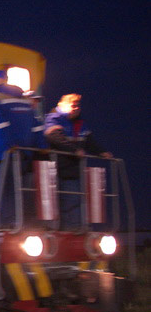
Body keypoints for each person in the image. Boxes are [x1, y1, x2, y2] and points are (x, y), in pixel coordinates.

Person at [0, 69, 43, 225]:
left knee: (4, 191)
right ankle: (21, 222)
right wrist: (42, 147)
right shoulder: (24, 100)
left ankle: (5, 225)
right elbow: (36, 127)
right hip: (25, 153)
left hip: (3, 152)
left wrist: (10, 145)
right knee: (20, 190)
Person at [44, 93, 112, 228]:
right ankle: (58, 231)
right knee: (54, 204)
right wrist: (74, 150)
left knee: (74, 200)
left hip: (73, 172)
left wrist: (102, 152)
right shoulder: (53, 119)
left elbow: (90, 142)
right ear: (62, 105)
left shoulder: (81, 124)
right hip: (54, 172)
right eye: (72, 105)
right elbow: (56, 138)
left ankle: (73, 231)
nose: (76, 108)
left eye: (77, 106)